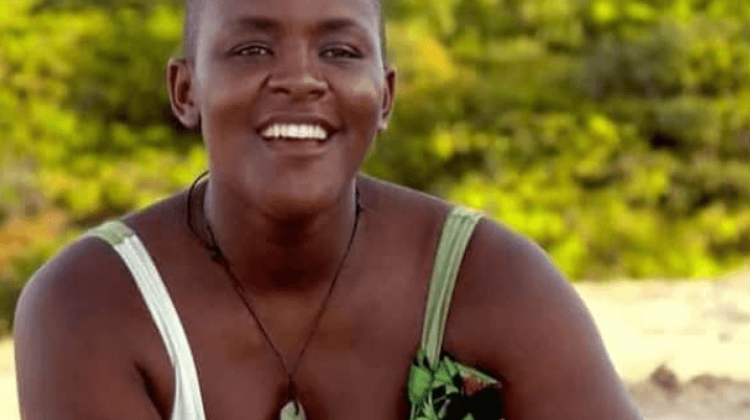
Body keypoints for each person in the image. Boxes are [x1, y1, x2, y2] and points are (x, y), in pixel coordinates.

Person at [13, 0, 643, 419]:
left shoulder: (491, 281)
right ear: (185, 90)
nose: (300, 79)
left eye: (339, 51)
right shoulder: (92, 304)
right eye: (252, 49)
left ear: (386, 96)